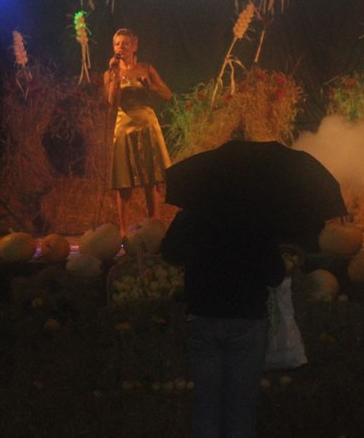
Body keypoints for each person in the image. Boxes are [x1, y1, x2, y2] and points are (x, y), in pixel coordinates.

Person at [161, 203, 286, 438]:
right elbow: (276, 275)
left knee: (206, 403)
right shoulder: (256, 217)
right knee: (242, 405)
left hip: (204, 315)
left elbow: (169, 253)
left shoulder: (192, 215)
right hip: (247, 317)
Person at [103, 28, 172, 235]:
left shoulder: (146, 68)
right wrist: (115, 76)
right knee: (124, 182)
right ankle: (124, 232)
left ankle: (155, 225)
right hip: (124, 127)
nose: (120, 48)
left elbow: (167, 94)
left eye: (125, 44)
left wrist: (151, 86)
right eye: (117, 44)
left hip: (147, 125)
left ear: (134, 46)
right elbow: (112, 102)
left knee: (151, 179)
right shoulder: (110, 73)